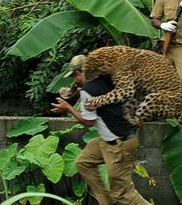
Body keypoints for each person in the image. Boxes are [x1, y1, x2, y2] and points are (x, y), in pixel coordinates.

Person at [51, 55, 151, 205]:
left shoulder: (88, 91)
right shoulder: (108, 79)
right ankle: (106, 202)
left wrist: (68, 108)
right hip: (114, 139)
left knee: (123, 193)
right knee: (83, 162)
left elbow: (89, 121)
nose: (74, 80)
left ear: (80, 72)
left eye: (74, 75)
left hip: (118, 145)